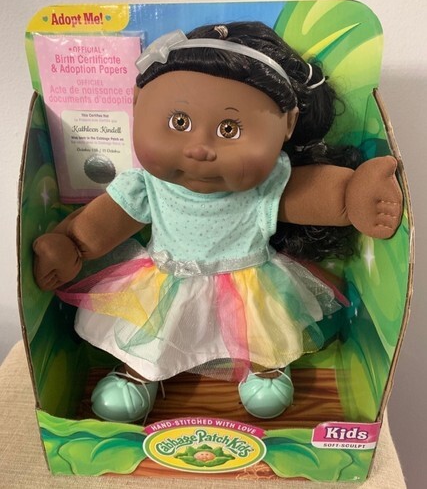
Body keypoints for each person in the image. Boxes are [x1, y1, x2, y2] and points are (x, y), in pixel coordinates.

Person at [33, 22, 402, 423]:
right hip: (165, 280)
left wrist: (353, 196)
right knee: (150, 335)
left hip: (248, 283)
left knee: (261, 335)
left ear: (288, 125)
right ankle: (138, 372)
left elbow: (313, 194)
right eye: (179, 122)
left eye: (229, 129)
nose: (199, 148)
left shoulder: (265, 186)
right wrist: (72, 245)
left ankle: (264, 367)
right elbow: (108, 220)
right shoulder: (147, 185)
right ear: (137, 102)